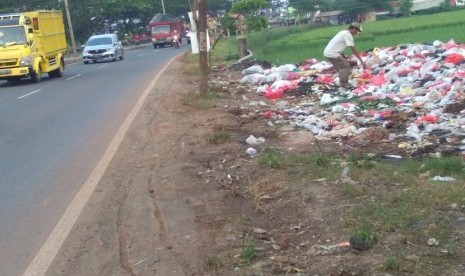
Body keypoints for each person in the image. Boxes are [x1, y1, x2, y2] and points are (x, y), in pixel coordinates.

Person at [323, 22, 367, 89]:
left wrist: (343, 55)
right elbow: (353, 50)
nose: (356, 33)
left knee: (340, 67)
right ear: (353, 28)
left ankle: (341, 83)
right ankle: (344, 83)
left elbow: (338, 45)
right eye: (357, 31)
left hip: (328, 53)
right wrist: (361, 61)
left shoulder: (343, 32)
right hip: (332, 54)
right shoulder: (348, 35)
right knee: (346, 66)